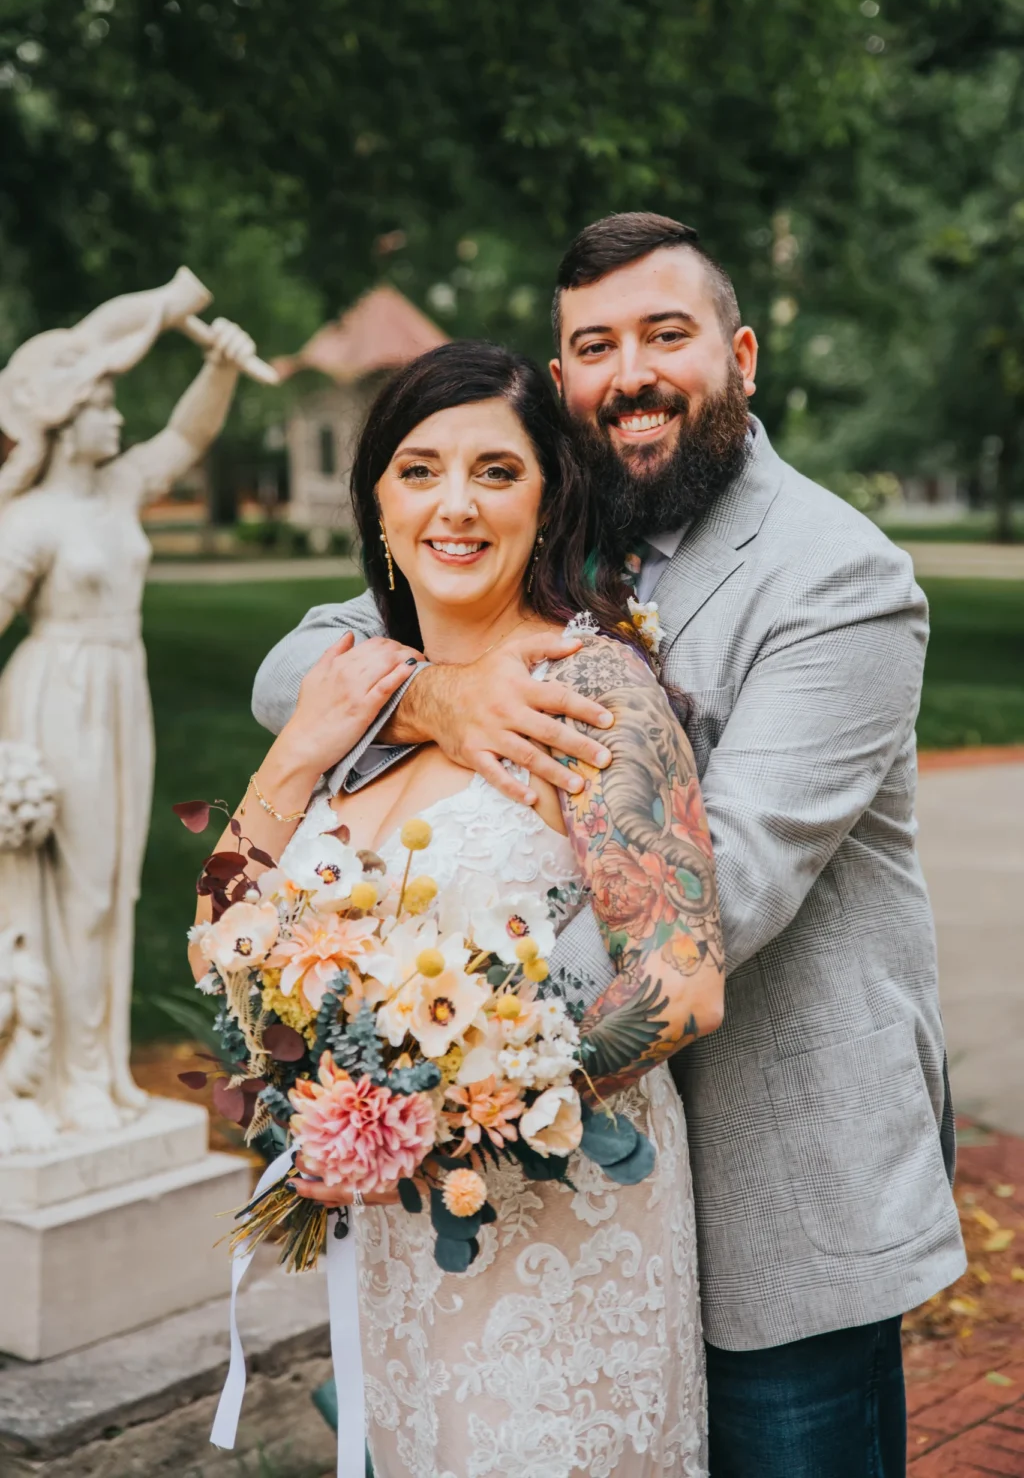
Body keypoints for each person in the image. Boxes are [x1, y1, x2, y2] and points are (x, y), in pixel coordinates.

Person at [253, 213, 967, 1478]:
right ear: (564, 378)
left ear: (741, 356)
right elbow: (291, 664)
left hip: (771, 1175)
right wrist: (433, 695)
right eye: (593, 344)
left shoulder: (837, 580)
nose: (629, 371)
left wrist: (404, 1060)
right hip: (543, 1192)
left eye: (666, 335)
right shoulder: (553, 518)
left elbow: (723, 889)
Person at [196, 340, 725, 1476]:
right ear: (377, 501)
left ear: (550, 502)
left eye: (496, 472)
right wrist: (294, 754)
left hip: (567, 1246)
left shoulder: (593, 695)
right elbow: (227, 946)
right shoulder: (362, 695)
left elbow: (680, 983)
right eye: (419, 469)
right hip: (395, 1261)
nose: (454, 504)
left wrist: (423, 1122)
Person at [0, 272, 256, 1139]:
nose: (119, 418)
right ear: (67, 420)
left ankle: (101, 1075)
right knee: (76, 892)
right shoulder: (28, 520)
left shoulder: (115, 493)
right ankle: (59, 1077)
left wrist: (219, 366)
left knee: (112, 889)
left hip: (119, 686)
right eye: (105, 403)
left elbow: (186, 435)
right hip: (55, 692)